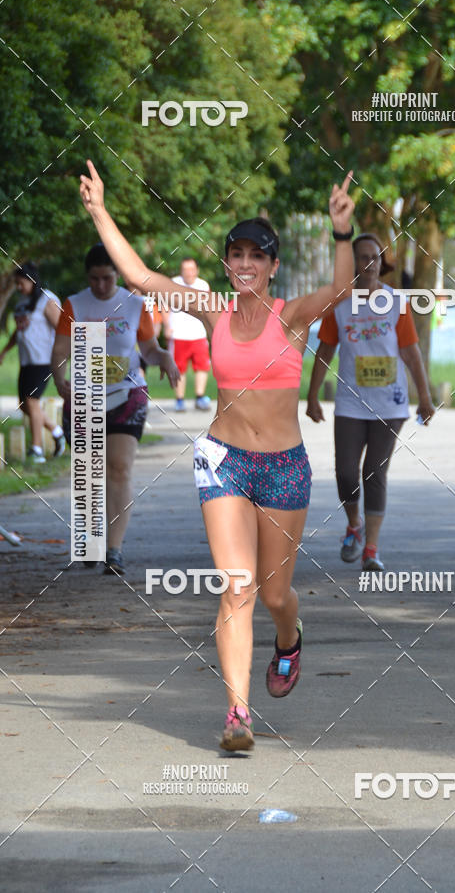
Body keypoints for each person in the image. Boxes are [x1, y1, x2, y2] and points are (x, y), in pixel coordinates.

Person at [77, 159, 355, 752]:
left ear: (273, 266)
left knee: (275, 595)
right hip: (224, 461)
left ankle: (289, 636)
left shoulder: (294, 316)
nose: (246, 264)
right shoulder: (215, 314)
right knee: (237, 585)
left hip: (283, 467)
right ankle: (237, 714)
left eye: (258, 255)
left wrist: (341, 232)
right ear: (227, 264)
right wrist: (100, 210)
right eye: (237, 255)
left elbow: (342, 289)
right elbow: (142, 277)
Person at [307, 233, 435, 570]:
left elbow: (410, 352)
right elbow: (325, 350)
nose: (369, 263)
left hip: (389, 403)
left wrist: (424, 396)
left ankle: (372, 549)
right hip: (350, 402)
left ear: (382, 262)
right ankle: (354, 525)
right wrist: (313, 395)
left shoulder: (396, 301)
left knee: (374, 474)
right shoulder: (340, 304)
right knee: (347, 473)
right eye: (362, 257)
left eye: (375, 257)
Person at [51, 243, 180, 575]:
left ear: (117, 275)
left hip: (127, 392)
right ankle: (91, 539)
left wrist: (164, 357)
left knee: (119, 467)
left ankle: (114, 549)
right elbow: (61, 349)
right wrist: (59, 377)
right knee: (91, 473)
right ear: (87, 277)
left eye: (107, 278)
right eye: (94, 279)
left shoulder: (134, 304)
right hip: (84, 397)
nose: (101, 286)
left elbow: (149, 349)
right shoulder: (75, 305)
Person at [0, 262, 65, 463]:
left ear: (31, 281)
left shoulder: (47, 300)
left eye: (21, 283)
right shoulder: (21, 303)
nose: (19, 287)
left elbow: (62, 329)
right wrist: (4, 351)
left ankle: (36, 449)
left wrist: (63, 355)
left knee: (32, 401)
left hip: (44, 360)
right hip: (26, 360)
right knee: (24, 404)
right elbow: (18, 333)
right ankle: (56, 431)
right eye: (16, 284)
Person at [164, 257, 212, 412]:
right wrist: (167, 326)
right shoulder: (173, 283)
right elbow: (164, 306)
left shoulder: (203, 285)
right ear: (181, 271)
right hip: (179, 334)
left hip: (198, 333)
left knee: (202, 367)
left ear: (196, 270)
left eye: (191, 269)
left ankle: (199, 397)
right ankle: (180, 400)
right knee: (179, 369)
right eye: (185, 270)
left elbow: (209, 309)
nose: (189, 273)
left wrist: (211, 329)